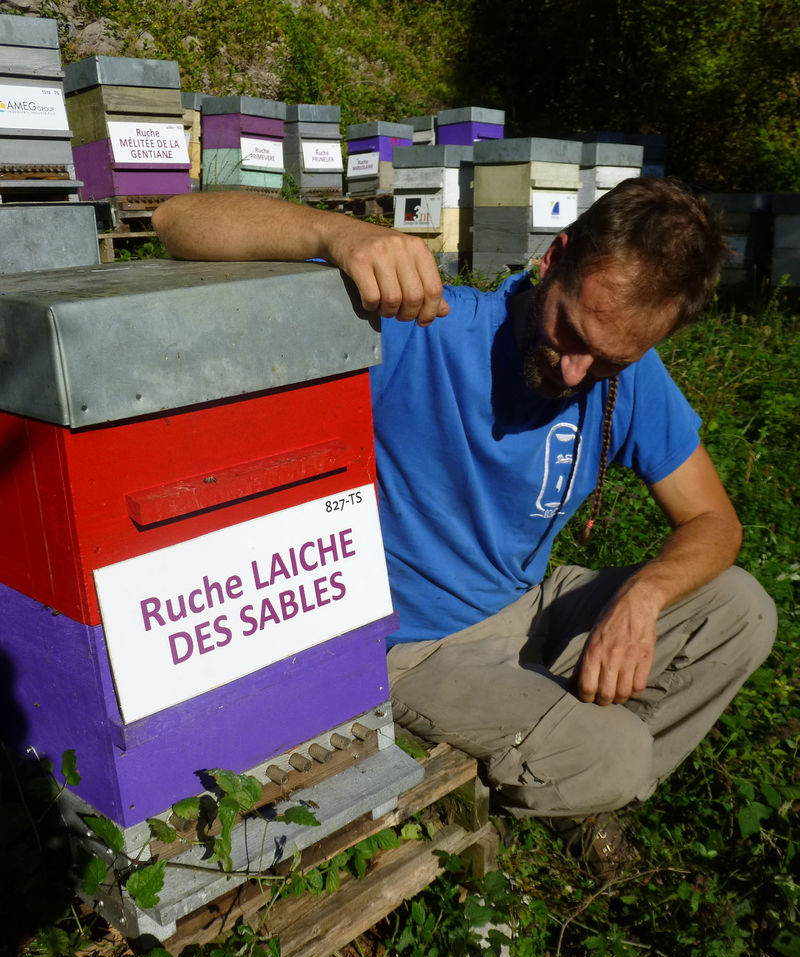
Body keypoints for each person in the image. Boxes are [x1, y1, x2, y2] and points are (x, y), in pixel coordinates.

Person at [153, 179, 776, 866]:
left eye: (610, 360)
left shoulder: (627, 375)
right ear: (554, 257)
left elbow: (714, 520)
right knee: (620, 754)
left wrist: (645, 595)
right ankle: (584, 772)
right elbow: (177, 219)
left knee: (742, 608)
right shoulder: (426, 327)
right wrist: (336, 234)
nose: (575, 370)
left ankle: (573, 761)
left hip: (529, 604)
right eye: (572, 329)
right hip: (417, 646)